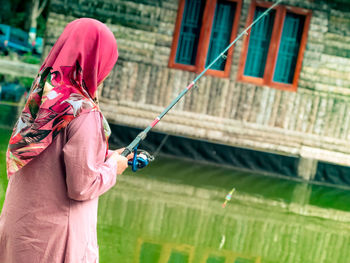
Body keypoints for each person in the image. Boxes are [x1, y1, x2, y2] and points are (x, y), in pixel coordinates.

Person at [0, 18, 132, 262]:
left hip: (20, 233)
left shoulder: (42, 97)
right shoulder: (85, 112)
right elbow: (82, 186)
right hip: (53, 243)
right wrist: (115, 166)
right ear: (96, 61)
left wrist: (104, 156)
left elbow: (51, 157)